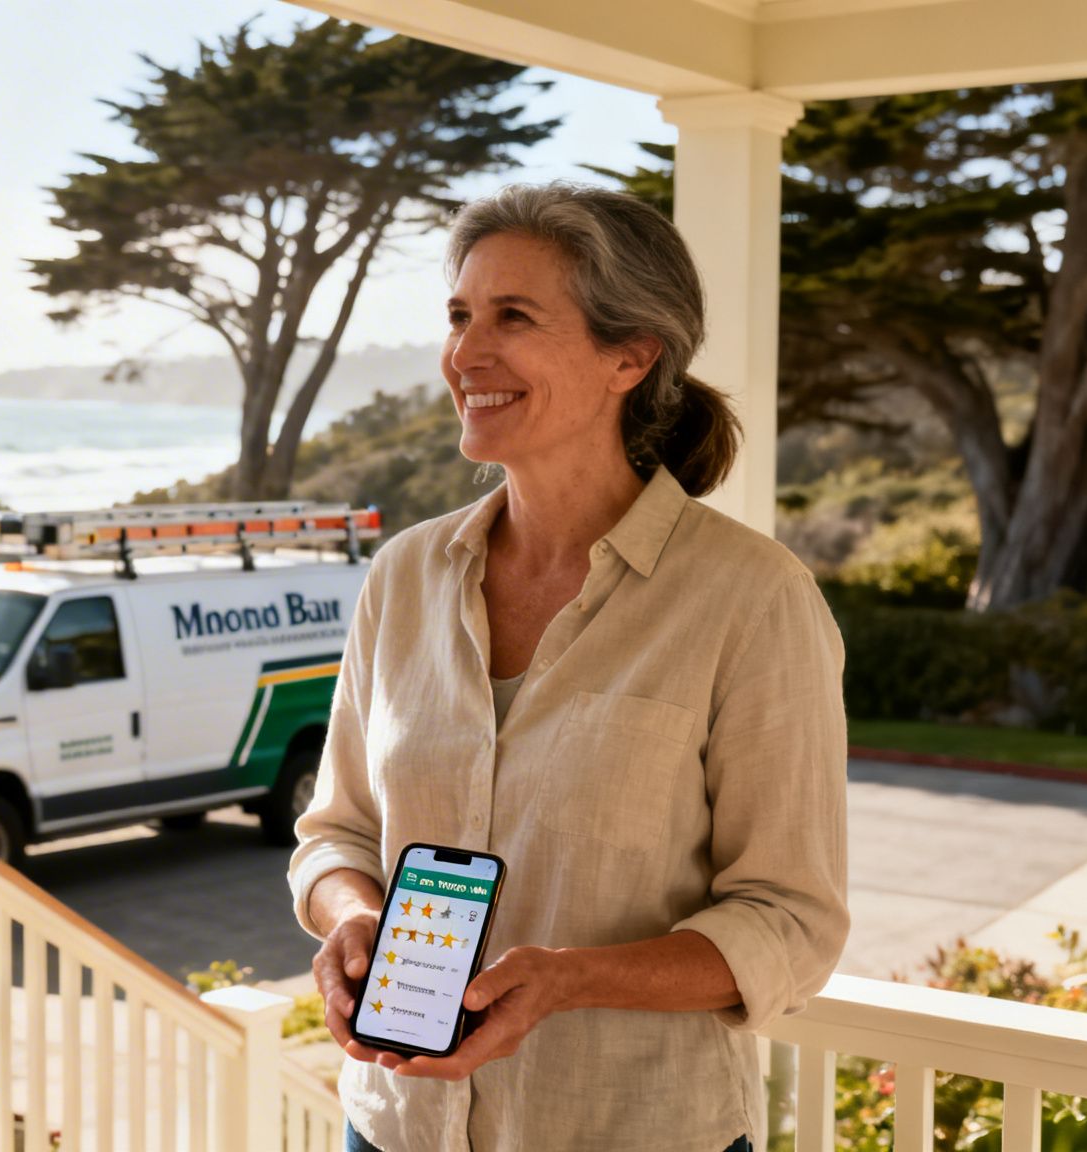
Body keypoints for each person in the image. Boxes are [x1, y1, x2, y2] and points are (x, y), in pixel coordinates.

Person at [290, 183, 850, 1152]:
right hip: (391, 1128)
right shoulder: (404, 577)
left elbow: (790, 923)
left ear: (629, 357)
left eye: (513, 317)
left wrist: (567, 980)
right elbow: (335, 833)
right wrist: (352, 917)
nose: (465, 353)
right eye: (459, 315)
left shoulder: (752, 599)